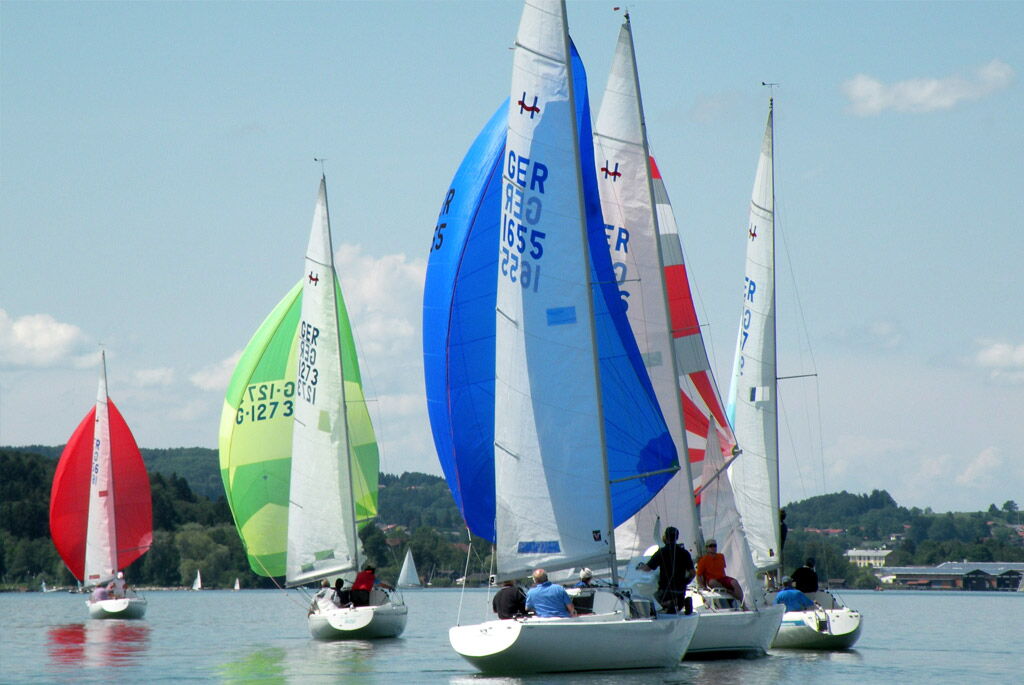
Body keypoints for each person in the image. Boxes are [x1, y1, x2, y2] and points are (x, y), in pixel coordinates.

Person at [638, 526, 694, 614]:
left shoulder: (661, 552)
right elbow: (692, 573)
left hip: (665, 589)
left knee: (654, 598)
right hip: (680, 589)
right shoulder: (685, 553)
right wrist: (686, 582)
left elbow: (648, 568)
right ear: (677, 537)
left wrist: (640, 567)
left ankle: (668, 604)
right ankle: (682, 603)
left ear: (665, 537)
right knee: (679, 601)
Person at [696, 539, 744, 603]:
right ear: (707, 548)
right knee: (712, 582)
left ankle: (742, 603)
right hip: (712, 580)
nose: (713, 548)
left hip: (722, 578)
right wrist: (703, 586)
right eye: (711, 546)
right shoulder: (703, 560)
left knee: (735, 582)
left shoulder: (721, 556)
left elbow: (723, 569)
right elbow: (699, 575)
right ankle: (728, 591)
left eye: (714, 546)